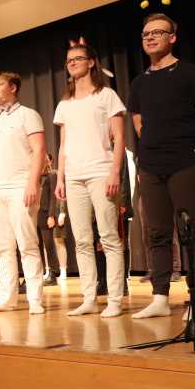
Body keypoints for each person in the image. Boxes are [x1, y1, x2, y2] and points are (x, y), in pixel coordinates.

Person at [127, 13, 195, 320]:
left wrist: (190, 149)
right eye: (146, 34)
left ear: (172, 37)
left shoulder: (190, 73)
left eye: (157, 32)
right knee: (157, 233)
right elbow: (138, 122)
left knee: (192, 231)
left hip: (185, 163)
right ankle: (160, 298)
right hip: (151, 167)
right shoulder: (139, 82)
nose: (150, 37)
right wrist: (150, 151)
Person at [54, 39, 127, 318]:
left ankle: (115, 300)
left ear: (91, 62)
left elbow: (119, 137)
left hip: (100, 171)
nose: (72, 63)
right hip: (74, 177)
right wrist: (60, 178)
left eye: (77, 58)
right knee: (82, 240)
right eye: (69, 60)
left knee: (109, 237)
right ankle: (88, 298)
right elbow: (63, 144)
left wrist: (114, 171)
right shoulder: (65, 103)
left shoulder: (106, 95)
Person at [0, 71, 46, 315]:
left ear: (13, 87)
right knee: (2, 246)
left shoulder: (28, 115)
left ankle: (35, 299)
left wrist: (33, 183)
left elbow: (39, 151)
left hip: (20, 186)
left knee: (27, 244)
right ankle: (7, 298)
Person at [39, 153, 60, 286]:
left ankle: (53, 272)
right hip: (36, 214)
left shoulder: (52, 175)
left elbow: (53, 197)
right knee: (37, 246)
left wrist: (51, 215)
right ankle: (39, 272)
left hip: (46, 214)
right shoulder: (36, 177)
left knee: (49, 244)